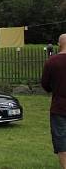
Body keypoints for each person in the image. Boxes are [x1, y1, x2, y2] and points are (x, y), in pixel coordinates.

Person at [42, 33, 66, 168]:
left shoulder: (52, 61)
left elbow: (45, 84)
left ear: (59, 44)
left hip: (59, 106)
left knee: (61, 138)